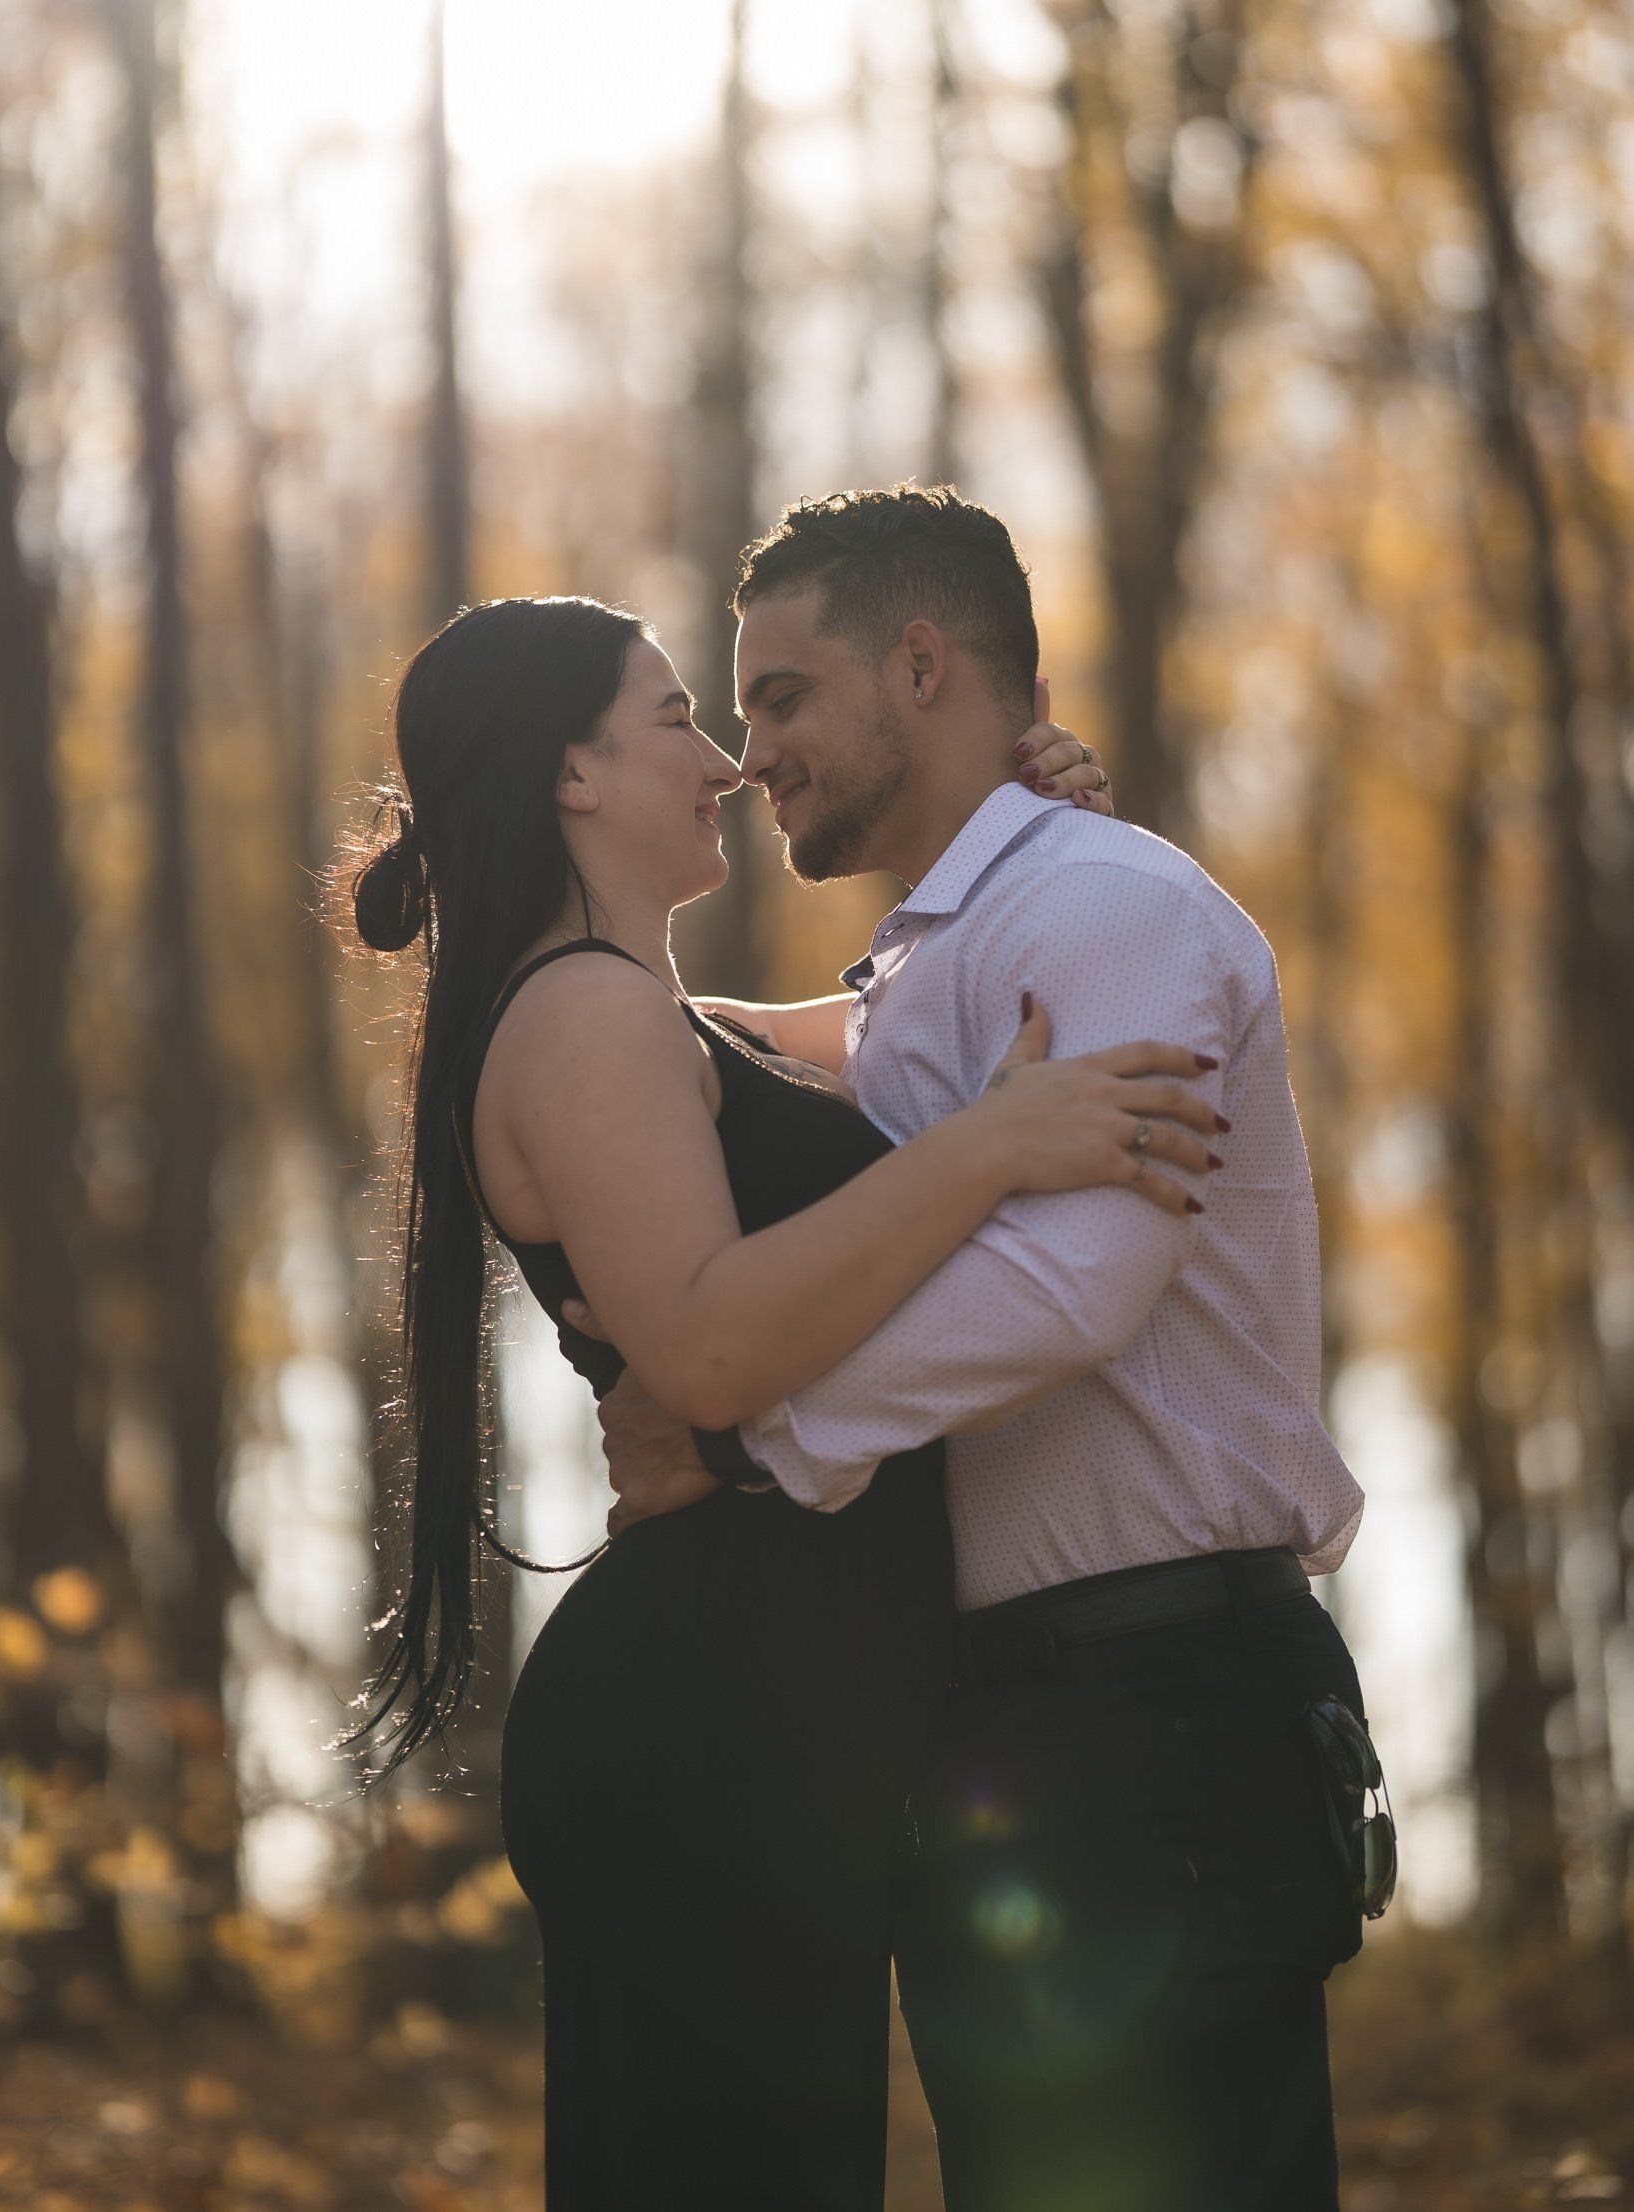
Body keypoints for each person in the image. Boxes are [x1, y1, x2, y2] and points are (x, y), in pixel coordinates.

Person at [337, 588, 1223, 2211]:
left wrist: (1023, 826)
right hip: (707, 1730)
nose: (728, 765)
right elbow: (709, 1352)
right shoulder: (584, 1016)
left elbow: (920, 1029)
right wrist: (993, 1147)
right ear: (572, 775)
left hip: (771, 1730)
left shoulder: (655, 1019)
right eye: (678, 718)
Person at [585, 484, 1372, 2212]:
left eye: (782, 696)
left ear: (923, 666)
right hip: (1014, 1734)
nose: (751, 755)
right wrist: (557, 980)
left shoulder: (1107, 909)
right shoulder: (942, 958)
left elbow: (1076, 1285)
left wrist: (748, 1437)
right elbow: (760, 1058)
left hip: (1167, 1706)